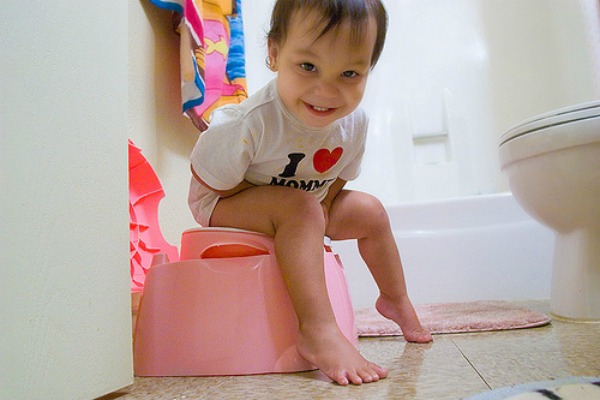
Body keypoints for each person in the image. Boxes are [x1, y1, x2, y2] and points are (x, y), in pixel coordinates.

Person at [188, 0, 432, 386]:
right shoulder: (253, 122)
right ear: (274, 54)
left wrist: (315, 213)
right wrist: (290, 211)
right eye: (308, 67)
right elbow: (212, 181)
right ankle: (317, 329)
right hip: (227, 199)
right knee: (300, 208)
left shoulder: (352, 123)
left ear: (368, 70)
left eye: (350, 73)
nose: (327, 89)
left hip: (307, 201)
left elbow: (337, 181)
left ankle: (395, 299)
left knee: (371, 212)